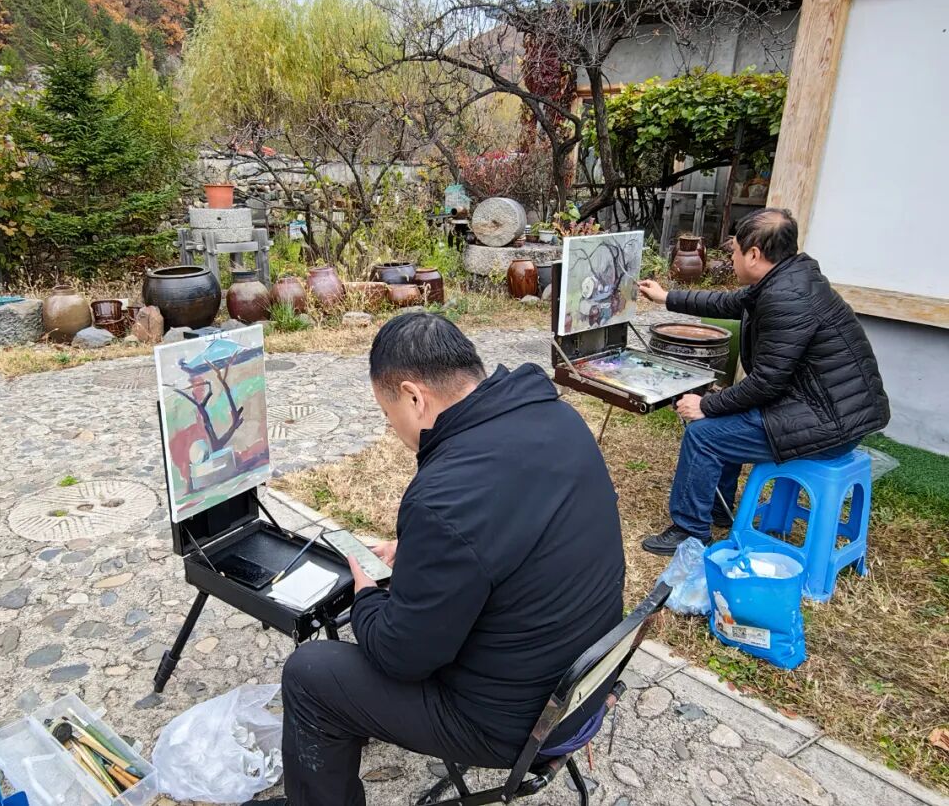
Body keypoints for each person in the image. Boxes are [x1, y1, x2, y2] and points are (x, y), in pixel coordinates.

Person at [245, 313, 625, 806]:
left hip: (513, 722)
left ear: (413, 396)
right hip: (582, 686)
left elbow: (400, 656)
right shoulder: (561, 420)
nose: (393, 429)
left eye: (388, 415)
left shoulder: (445, 496)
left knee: (310, 673)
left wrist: (365, 591)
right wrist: (425, 553)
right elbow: (513, 529)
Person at [637, 207, 890, 556]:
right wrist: (667, 297)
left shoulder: (786, 299)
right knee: (723, 419)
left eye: (735, 252)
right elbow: (728, 303)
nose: (732, 259)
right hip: (826, 409)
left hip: (828, 423)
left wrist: (706, 404)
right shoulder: (790, 278)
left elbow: (766, 384)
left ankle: (689, 531)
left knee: (703, 434)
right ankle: (717, 510)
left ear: (754, 254)